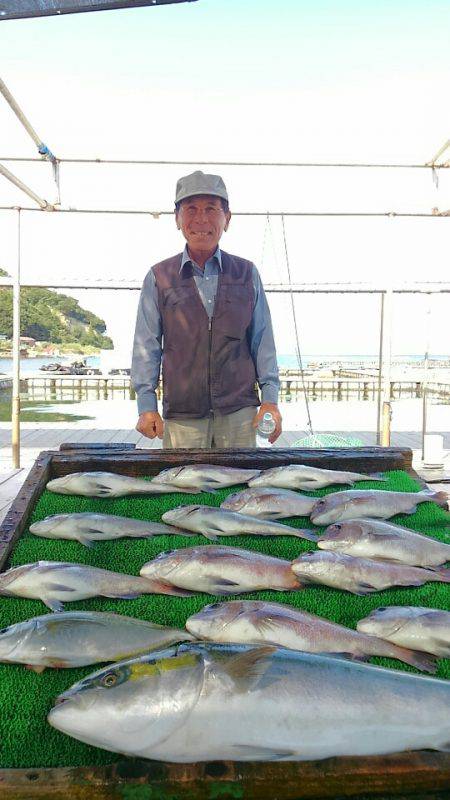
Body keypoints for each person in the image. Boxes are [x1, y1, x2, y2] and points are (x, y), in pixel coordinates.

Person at [131, 170, 281, 448]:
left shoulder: (247, 273)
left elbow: (263, 341)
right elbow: (146, 345)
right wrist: (146, 404)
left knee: (242, 487)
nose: (201, 219)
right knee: (184, 488)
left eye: (211, 209)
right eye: (191, 209)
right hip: (182, 418)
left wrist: (270, 399)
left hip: (240, 414)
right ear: (177, 219)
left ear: (227, 218)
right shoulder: (159, 277)